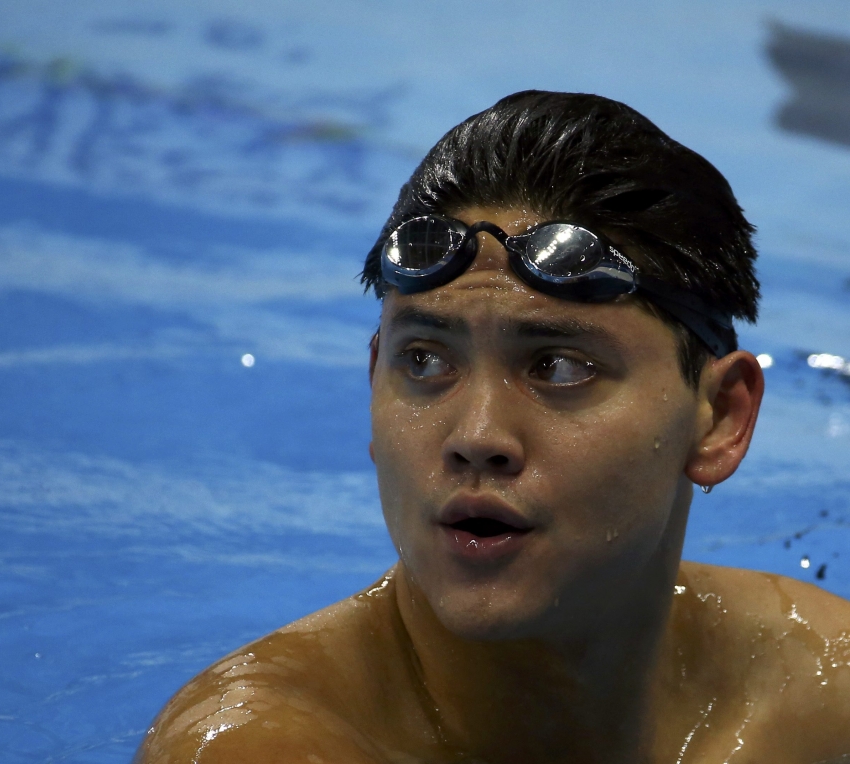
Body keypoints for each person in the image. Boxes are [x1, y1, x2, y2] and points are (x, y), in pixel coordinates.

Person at [133, 91, 850, 763]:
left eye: (560, 368)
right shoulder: (263, 744)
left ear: (721, 418)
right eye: (424, 360)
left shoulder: (820, 687)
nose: (476, 435)